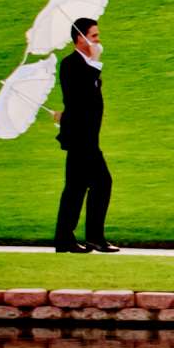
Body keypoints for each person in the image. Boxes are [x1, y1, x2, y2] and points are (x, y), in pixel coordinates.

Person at [52, 16, 117, 253]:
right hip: (82, 140)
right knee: (101, 182)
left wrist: (65, 116)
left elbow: (82, 102)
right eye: (94, 37)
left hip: (87, 137)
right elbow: (79, 97)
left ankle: (65, 239)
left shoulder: (86, 66)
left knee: (76, 187)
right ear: (80, 39)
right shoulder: (71, 64)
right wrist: (95, 62)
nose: (98, 42)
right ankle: (92, 237)